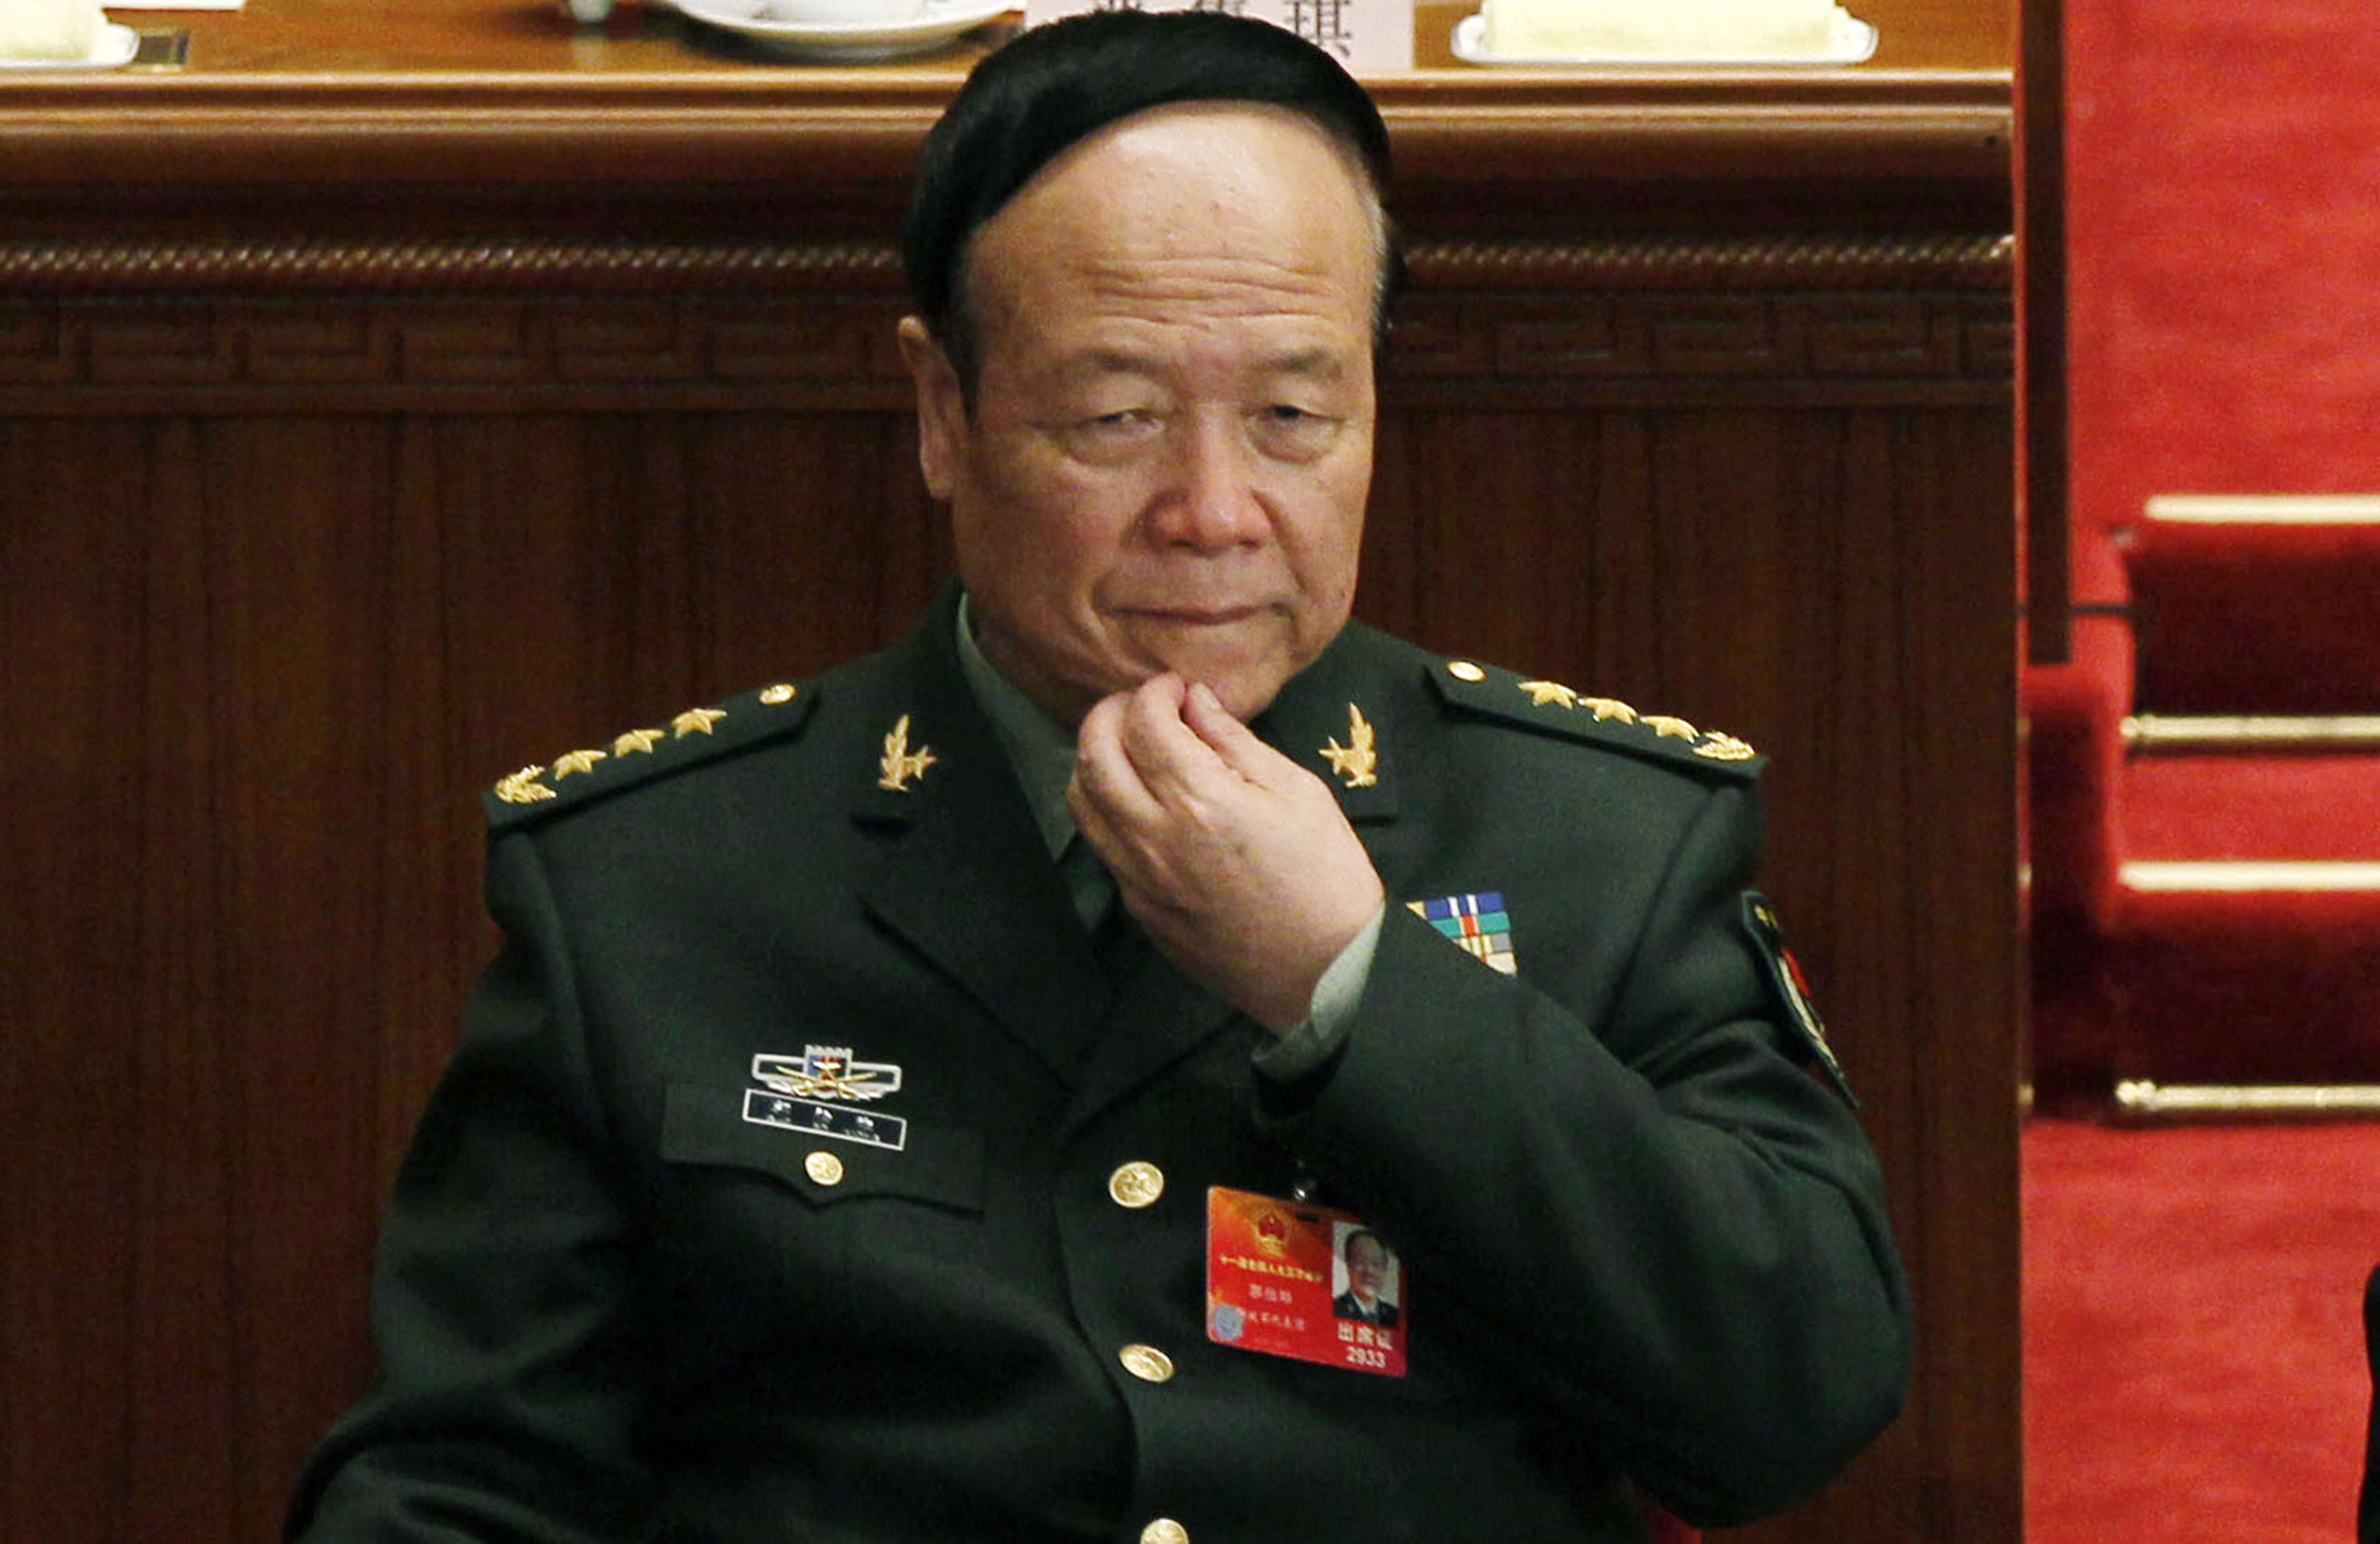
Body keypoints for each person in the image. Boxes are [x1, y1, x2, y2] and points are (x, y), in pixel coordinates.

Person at [284, 12, 1910, 1542]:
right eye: (1119, 416)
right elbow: (457, 1484)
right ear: (945, 412)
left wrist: (1355, 985)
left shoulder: (1601, 839)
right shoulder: (650, 878)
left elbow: (1789, 1395)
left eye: (1291, 413)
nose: (1215, 510)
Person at [1333, 1228, 1400, 1328]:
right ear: (1348, 1266)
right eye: (1361, 1262)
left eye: (1376, 1264)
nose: (1369, 1271)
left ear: (1385, 1269)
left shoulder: (1395, 1317)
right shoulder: (1336, 1309)